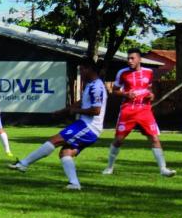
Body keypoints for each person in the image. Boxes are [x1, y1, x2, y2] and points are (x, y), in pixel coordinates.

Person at [8, 58, 107, 190]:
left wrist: (75, 111)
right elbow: (80, 102)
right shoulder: (90, 84)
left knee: (54, 140)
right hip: (85, 125)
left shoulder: (97, 87)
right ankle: (74, 184)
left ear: (89, 69)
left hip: (89, 126)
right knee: (65, 153)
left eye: (82, 70)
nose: (81, 73)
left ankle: (23, 164)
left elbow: (96, 110)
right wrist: (63, 111)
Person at [104, 48, 176, 177]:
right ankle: (109, 167)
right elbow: (114, 91)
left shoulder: (149, 72)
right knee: (119, 139)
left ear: (139, 59)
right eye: (128, 58)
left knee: (154, 137)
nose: (130, 61)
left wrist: (151, 95)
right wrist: (125, 93)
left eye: (132, 58)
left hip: (144, 110)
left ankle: (163, 169)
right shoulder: (122, 73)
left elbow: (149, 88)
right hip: (128, 110)